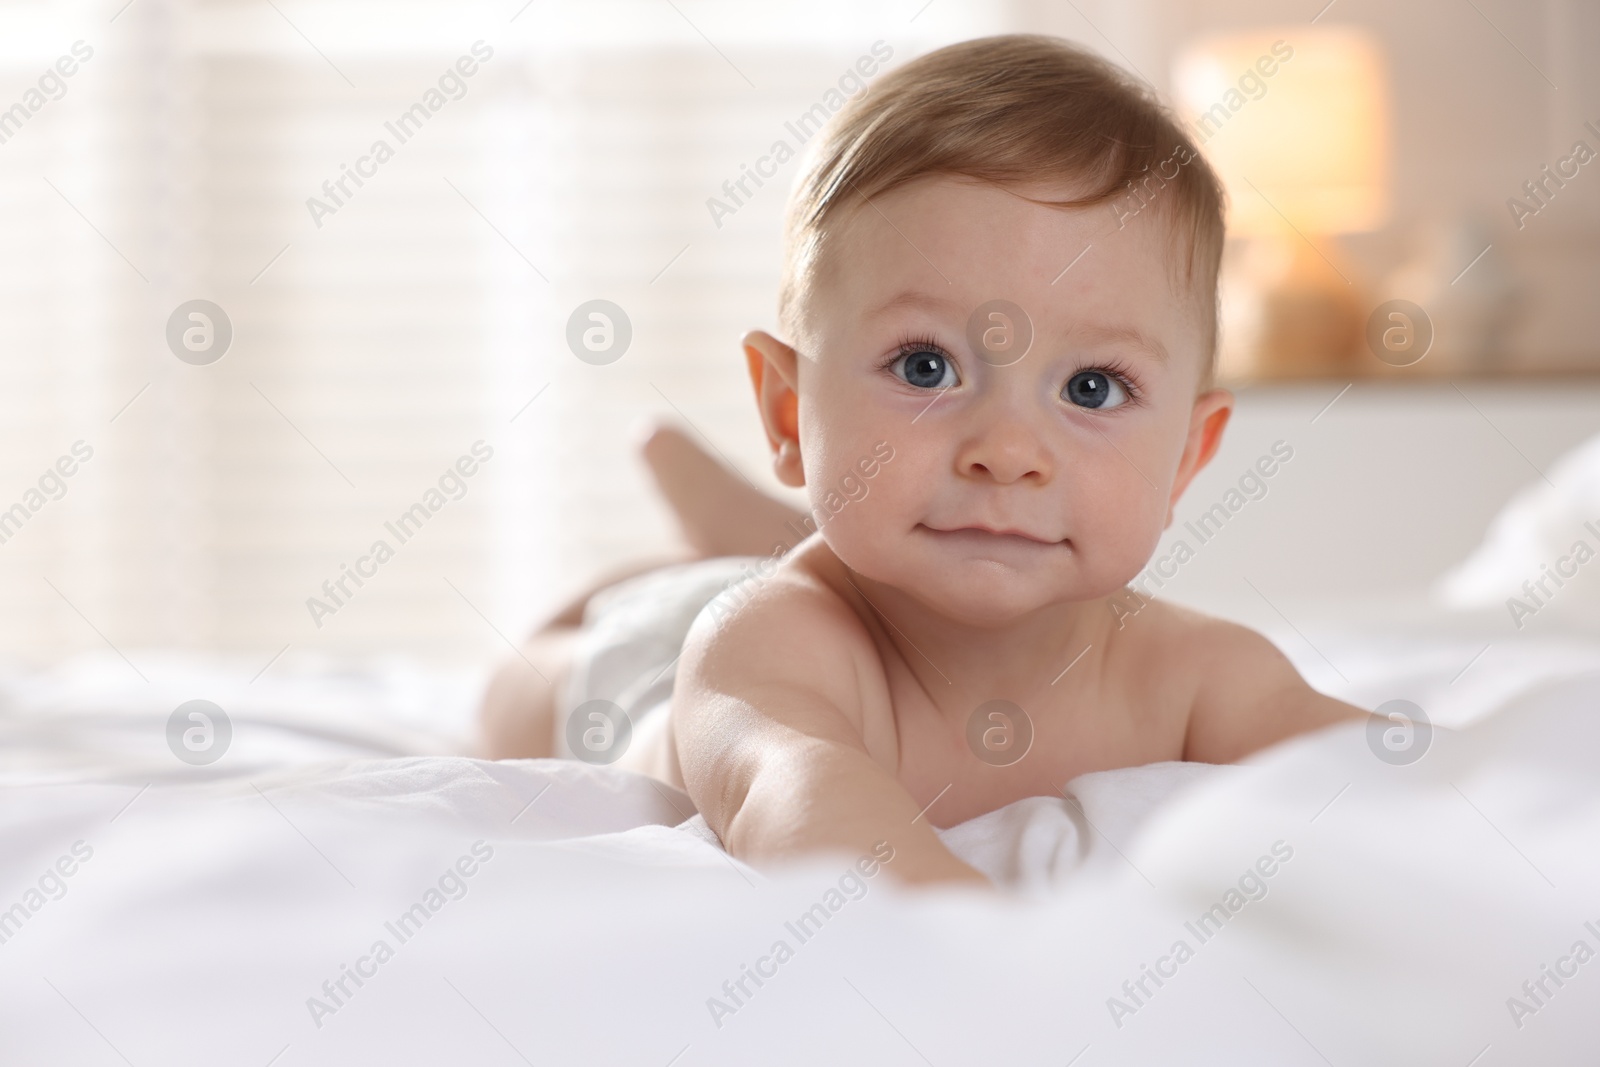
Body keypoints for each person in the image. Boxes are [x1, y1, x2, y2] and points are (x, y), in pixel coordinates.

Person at [478, 35, 1371, 885]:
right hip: (652, 652)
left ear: (1186, 457)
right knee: (512, 691)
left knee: (836, 523)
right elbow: (812, 813)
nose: (1008, 452)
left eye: (1093, 388)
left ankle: (748, 526)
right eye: (926, 368)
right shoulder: (766, 652)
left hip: (837, 542)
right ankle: (721, 538)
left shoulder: (1199, 673)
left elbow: (1424, 781)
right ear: (790, 412)